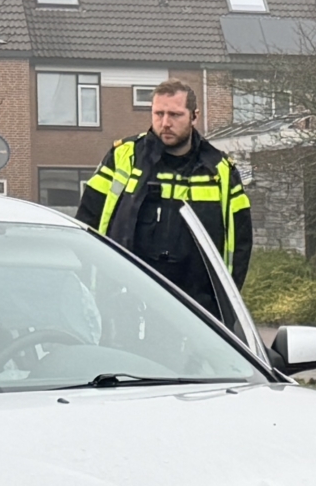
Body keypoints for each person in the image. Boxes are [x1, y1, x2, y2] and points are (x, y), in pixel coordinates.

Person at [76, 79, 252, 328]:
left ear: (194, 116)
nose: (165, 123)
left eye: (175, 115)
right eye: (158, 114)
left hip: (197, 310)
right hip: (123, 303)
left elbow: (239, 245)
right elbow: (86, 223)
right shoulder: (124, 158)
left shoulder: (219, 171)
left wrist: (224, 306)